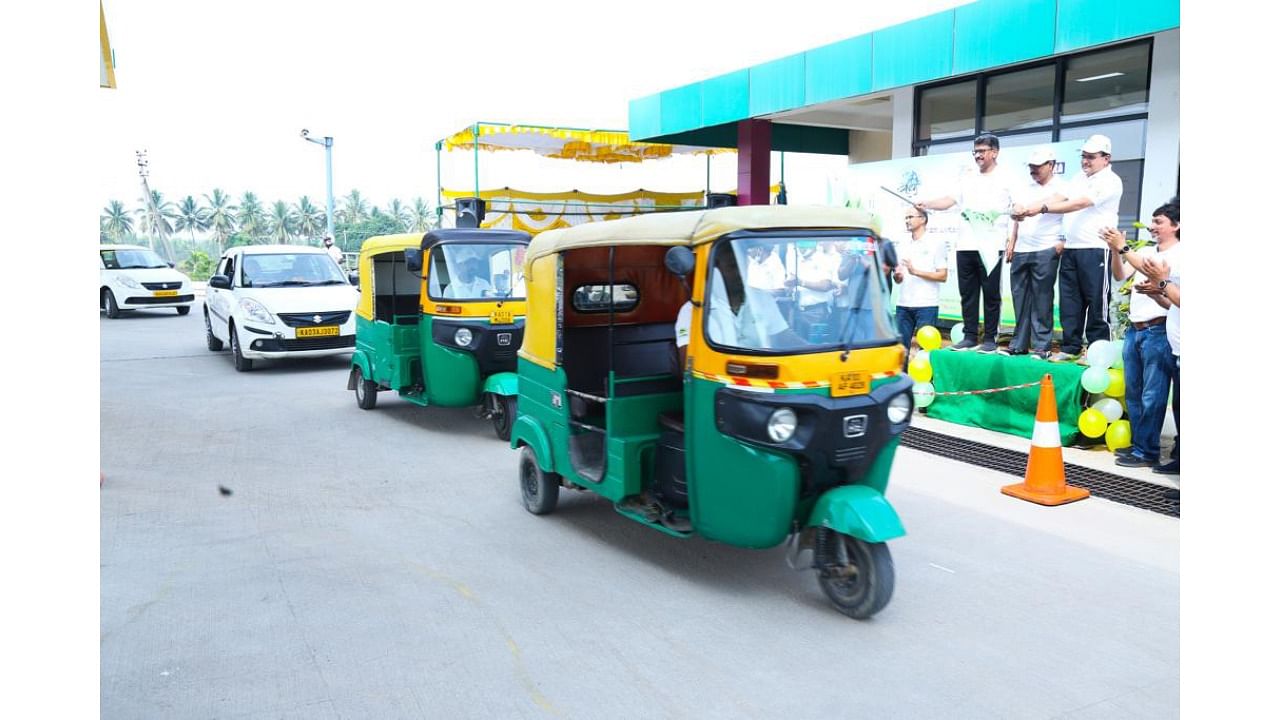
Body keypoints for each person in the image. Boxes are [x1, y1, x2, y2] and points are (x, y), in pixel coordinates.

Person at [1015, 135, 1122, 362]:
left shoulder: (1110, 181)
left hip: (1096, 248)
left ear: (1106, 158)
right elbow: (1059, 196)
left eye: (1091, 157)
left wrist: (1043, 208)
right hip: (1072, 248)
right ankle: (1071, 347)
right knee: (1070, 301)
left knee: (1096, 303)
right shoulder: (1078, 178)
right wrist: (1029, 207)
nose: (1086, 161)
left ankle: (1097, 351)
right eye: (1083, 156)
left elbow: (1078, 203)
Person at [916, 133, 1014, 353]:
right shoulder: (967, 178)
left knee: (991, 294)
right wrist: (927, 203)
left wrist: (1012, 239)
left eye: (982, 151)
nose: (978, 155)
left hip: (991, 244)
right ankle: (970, 335)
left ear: (995, 152)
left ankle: (990, 338)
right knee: (968, 293)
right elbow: (949, 201)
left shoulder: (1006, 177)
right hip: (965, 244)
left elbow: (1017, 209)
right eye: (975, 151)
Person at [1100, 200, 1180, 469]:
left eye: (1159, 222)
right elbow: (1121, 274)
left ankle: (1148, 451)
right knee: (1133, 392)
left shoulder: (1181, 253)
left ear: (1177, 226)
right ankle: (1139, 445)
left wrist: (1123, 247)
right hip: (1135, 329)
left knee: (1152, 394)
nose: (1152, 227)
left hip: (1159, 329)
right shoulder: (1145, 250)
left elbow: (1149, 271)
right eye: (1153, 222)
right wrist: (1115, 252)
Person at [1006, 147, 1066, 359]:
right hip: (1022, 248)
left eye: (1038, 166)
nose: (1034, 170)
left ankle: (1042, 344)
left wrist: (1062, 241)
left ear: (1051, 165)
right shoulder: (1024, 187)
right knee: (1019, 297)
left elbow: (1069, 214)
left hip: (1046, 247)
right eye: (1031, 167)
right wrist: (1011, 241)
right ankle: (1019, 343)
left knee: (1042, 297)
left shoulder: (1062, 187)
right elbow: (1016, 215)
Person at [893, 209, 948, 365]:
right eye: (906, 217)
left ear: (923, 219)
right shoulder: (903, 243)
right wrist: (897, 276)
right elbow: (898, 279)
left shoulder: (936, 243)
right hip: (903, 303)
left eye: (910, 217)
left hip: (926, 304)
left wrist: (915, 271)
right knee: (900, 349)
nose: (907, 220)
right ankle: (901, 384)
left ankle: (928, 385)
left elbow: (943, 275)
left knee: (927, 348)